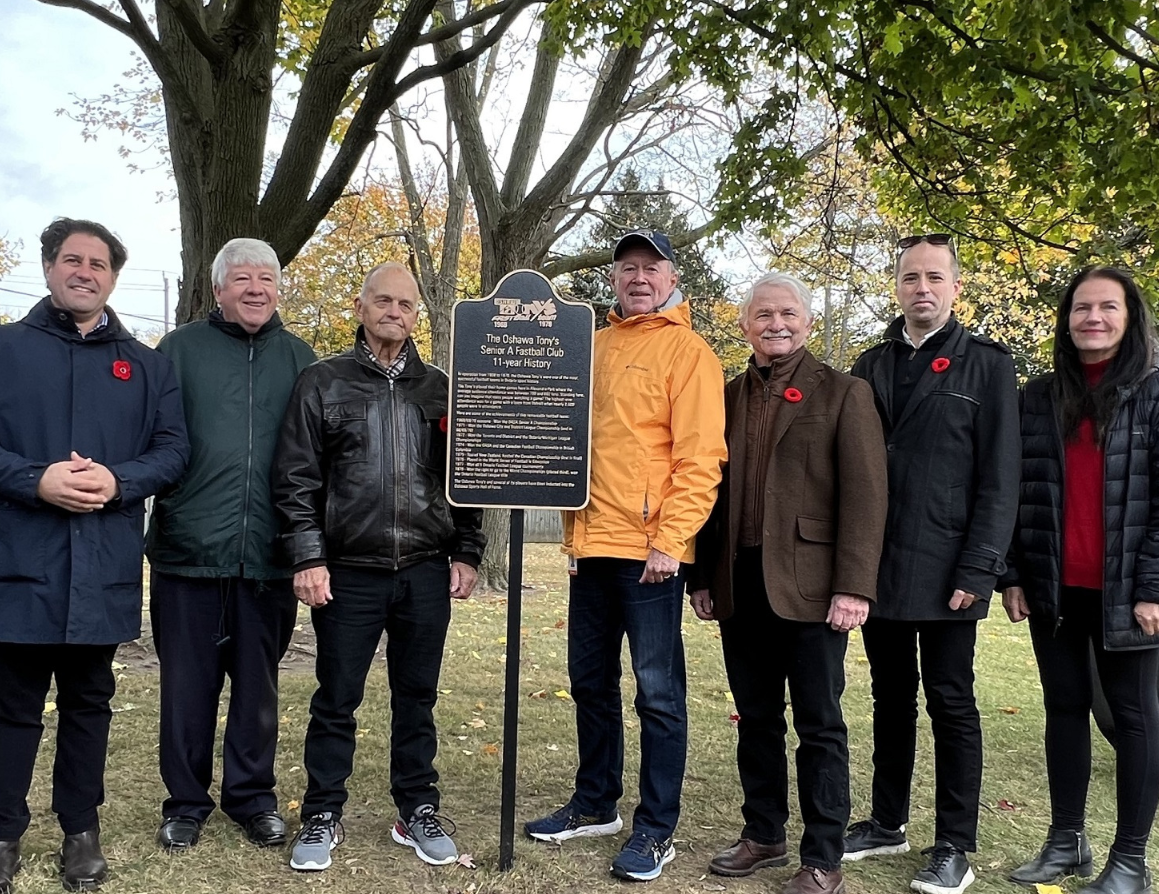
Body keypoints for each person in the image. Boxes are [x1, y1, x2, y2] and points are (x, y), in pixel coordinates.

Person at [0, 218, 189, 894]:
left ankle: (81, 832)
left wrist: (122, 481)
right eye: (71, 260)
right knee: (14, 705)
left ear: (112, 276)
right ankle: (0, 839)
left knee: (88, 702)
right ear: (48, 267)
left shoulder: (148, 365)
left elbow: (173, 449)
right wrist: (32, 478)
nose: (84, 272)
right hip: (16, 555)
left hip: (100, 561)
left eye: (98, 263)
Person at [1000, 266, 1159, 894]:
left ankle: (1131, 861)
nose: (1092, 318)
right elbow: (1016, 494)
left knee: (1131, 717)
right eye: (1080, 308)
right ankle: (1067, 840)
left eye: (1107, 308)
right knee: (1063, 709)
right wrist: (1014, 574)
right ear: (1066, 321)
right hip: (1055, 590)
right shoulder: (1039, 398)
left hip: (1132, 595)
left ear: (1130, 317)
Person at [527, 228, 726, 882]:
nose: (638, 277)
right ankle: (594, 803)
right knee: (589, 683)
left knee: (658, 694)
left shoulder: (689, 352)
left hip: (650, 556)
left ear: (672, 277)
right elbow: (570, 443)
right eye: (627, 267)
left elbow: (702, 459)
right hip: (591, 549)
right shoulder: (591, 346)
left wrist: (673, 542)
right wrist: (572, 536)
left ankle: (656, 828)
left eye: (651, 267)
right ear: (614, 278)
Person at [272, 262, 485, 873]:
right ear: (361, 306)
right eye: (384, 301)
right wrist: (308, 555)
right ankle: (322, 813)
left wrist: (467, 551)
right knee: (337, 697)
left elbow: (464, 478)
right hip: (348, 571)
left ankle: (416, 808)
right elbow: (296, 478)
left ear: (418, 315)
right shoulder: (322, 382)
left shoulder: (440, 388)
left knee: (416, 696)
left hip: (423, 568)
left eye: (407, 305)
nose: (395, 312)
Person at [691, 273, 888, 894]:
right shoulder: (722, 396)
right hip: (739, 582)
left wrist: (853, 586)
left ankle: (823, 856)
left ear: (807, 322)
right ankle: (764, 834)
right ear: (744, 325)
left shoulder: (845, 393)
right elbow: (708, 492)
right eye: (763, 315)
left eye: (788, 314)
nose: (776, 324)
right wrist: (702, 575)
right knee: (755, 717)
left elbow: (866, 496)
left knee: (820, 722)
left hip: (812, 587)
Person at [843, 234, 1020, 894]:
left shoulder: (989, 367)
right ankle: (888, 822)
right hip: (880, 566)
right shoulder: (868, 365)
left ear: (955, 287)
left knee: (951, 702)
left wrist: (980, 571)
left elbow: (1001, 481)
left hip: (951, 569)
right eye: (911, 277)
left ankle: (954, 843)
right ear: (897, 286)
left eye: (935, 277)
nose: (923, 288)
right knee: (890, 700)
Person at [147, 238, 316, 851]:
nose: (254, 289)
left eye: (266, 279)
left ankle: (252, 799)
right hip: (188, 551)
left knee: (256, 687)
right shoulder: (178, 351)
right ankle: (185, 803)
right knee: (186, 689)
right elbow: (152, 438)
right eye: (241, 278)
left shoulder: (301, 359)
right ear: (218, 288)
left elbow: (317, 458)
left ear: (277, 289)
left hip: (269, 555)